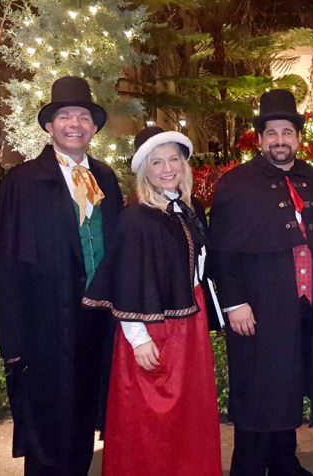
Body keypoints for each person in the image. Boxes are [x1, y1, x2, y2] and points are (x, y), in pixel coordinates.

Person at [0, 76, 123, 475]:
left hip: (95, 326)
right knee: (46, 433)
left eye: (83, 116)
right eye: (65, 116)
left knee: (81, 425)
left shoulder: (106, 179)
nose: (74, 124)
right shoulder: (22, 183)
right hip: (44, 329)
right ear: (49, 126)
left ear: (93, 127)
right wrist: (12, 342)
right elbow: (5, 268)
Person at [208, 89, 313, 476]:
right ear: (261, 139)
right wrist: (235, 302)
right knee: (257, 386)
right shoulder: (237, 183)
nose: (280, 140)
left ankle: (284, 461)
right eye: (272, 133)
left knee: (290, 382)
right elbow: (222, 250)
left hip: (303, 304)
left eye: (287, 132)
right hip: (258, 306)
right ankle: (248, 467)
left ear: (298, 137)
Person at [82, 126, 223, 475]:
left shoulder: (189, 208)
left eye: (173, 159)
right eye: (156, 162)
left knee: (188, 414)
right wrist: (139, 338)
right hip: (152, 328)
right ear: (145, 171)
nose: (167, 168)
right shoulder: (137, 218)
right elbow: (128, 277)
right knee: (149, 419)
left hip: (191, 321)